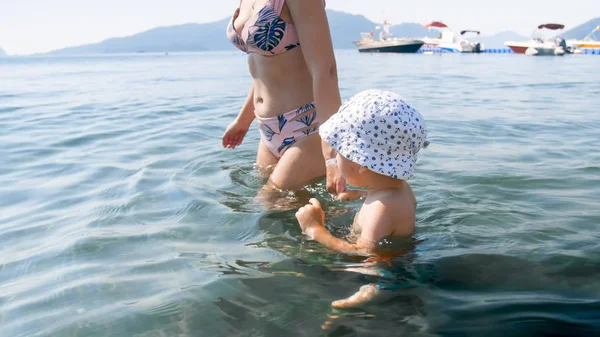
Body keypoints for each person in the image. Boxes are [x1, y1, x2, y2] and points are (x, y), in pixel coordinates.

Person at [295, 89, 428, 308]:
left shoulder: (381, 209)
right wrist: (356, 195)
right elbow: (382, 197)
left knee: (368, 273)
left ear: (360, 163)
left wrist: (314, 229)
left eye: (340, 152)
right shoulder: (398, 189)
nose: (336, 157)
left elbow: (363, 252)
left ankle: (372, 292)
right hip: (404, 252)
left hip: (387, 269)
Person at [222, 0, 346, 196]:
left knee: (268, 200)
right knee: (278, 214)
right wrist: (243, 121)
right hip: (268, 130)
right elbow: (265, 71)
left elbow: (326, 71)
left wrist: (332, 154)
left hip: (307, 127)